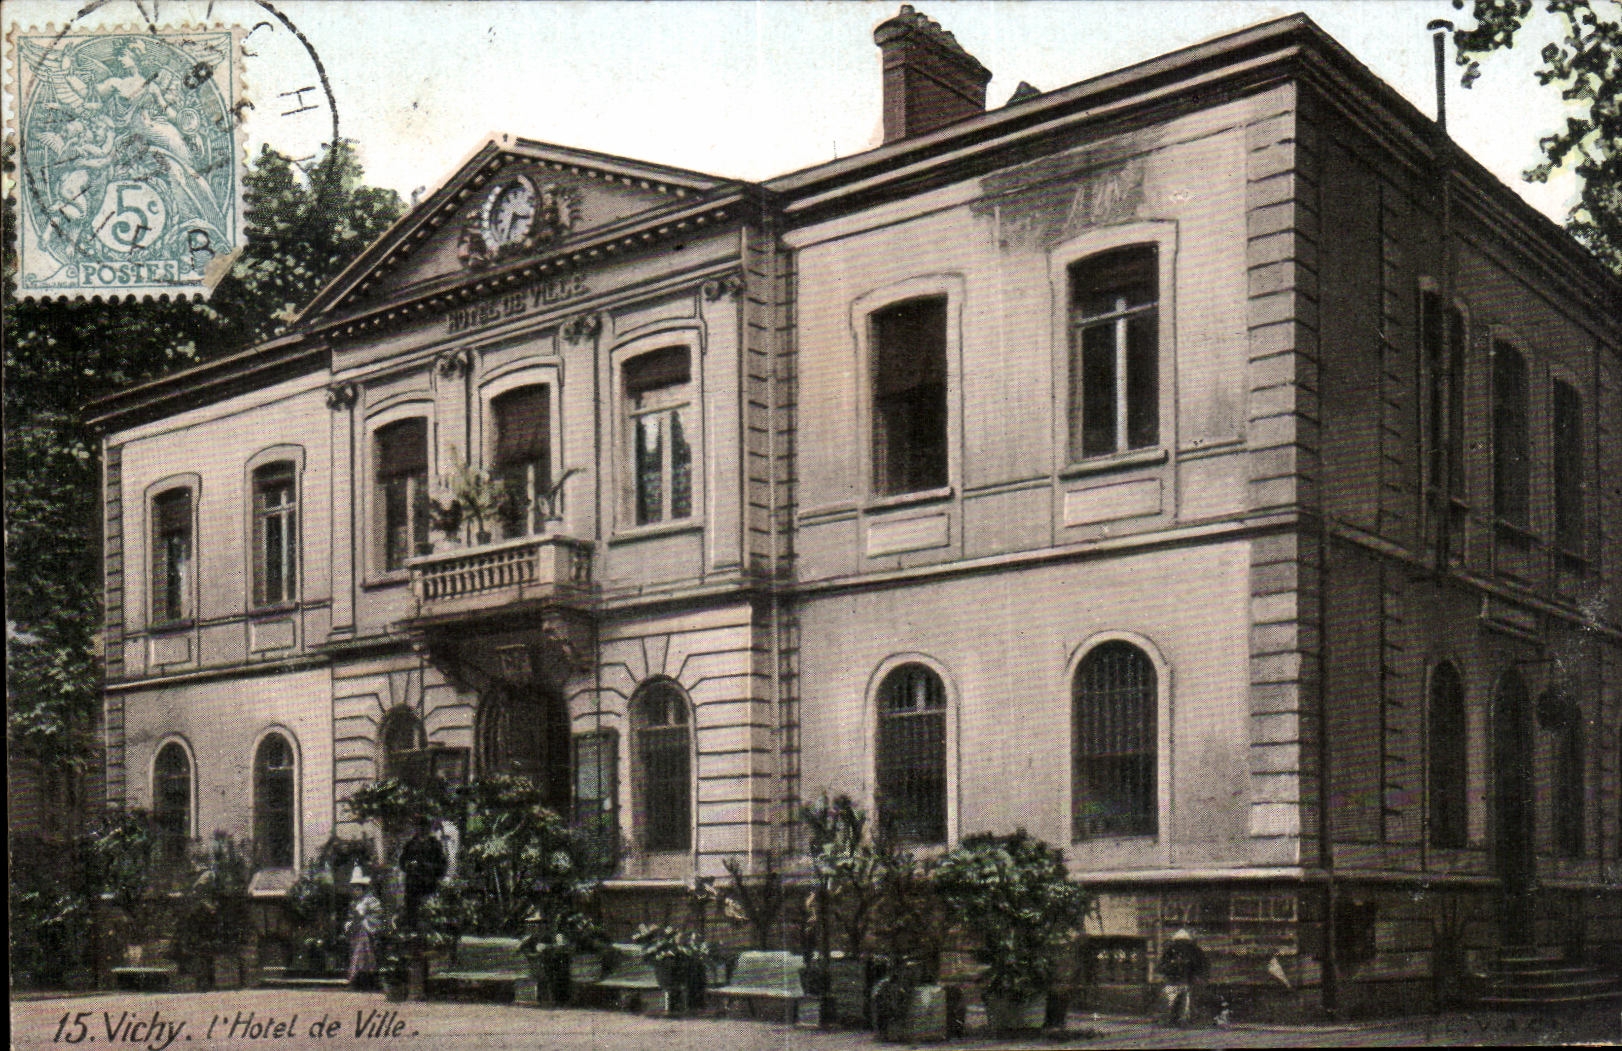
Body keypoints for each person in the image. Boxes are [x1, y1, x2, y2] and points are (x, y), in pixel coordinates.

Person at [398, 817, 448, 931]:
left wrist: (435, 872)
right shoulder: (410, 844)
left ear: (429, 828)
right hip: (413, 883)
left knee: (430, 909)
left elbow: (442, 863)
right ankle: (415, 933)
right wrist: (409, 865)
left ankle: (432, 933)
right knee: (412, 910)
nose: (421, 829)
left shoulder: (435, 844)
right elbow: (402, 861)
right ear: (416, 828)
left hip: (429, 882)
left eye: (424, 826)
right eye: (419, 826)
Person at [1158, 928, 1209, 1027]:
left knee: (1171, 1001)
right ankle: (1184, 1020)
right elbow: (1202, 964)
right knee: (1187, 1002)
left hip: (1174, 980)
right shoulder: (1195, 949)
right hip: (1186, 980)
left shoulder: (1170, 950)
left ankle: (1171, 1020)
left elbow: (1163, 965)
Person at [345, 870, 382, 990]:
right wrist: (350, 923)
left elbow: (376, 916)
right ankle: (359, 980)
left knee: (362, 954)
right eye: (354, 888)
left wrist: (363, 919)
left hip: (367, 932)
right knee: (357, 953)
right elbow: (352, 917)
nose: (356, 891)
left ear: (363, 889)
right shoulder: (355, 903)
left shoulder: (371, 901)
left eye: (358, 888)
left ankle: (356, 979)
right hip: (357, 932)